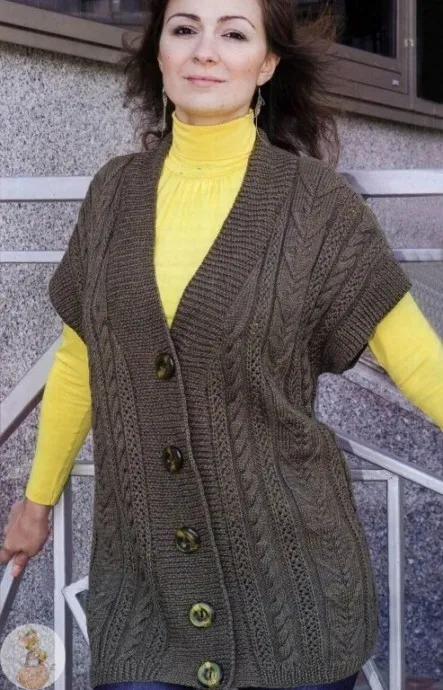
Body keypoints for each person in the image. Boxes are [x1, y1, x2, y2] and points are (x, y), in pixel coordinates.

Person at [1, 1, 442, 690]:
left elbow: (416, 360)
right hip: (144, 590)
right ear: (159, 53)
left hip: (293, 591)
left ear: (266, 64)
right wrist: (36, 500)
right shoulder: (113, 193)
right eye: (184, 29)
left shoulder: (317, 207)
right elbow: (80, 359)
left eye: (233, 33)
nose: (204, 49)